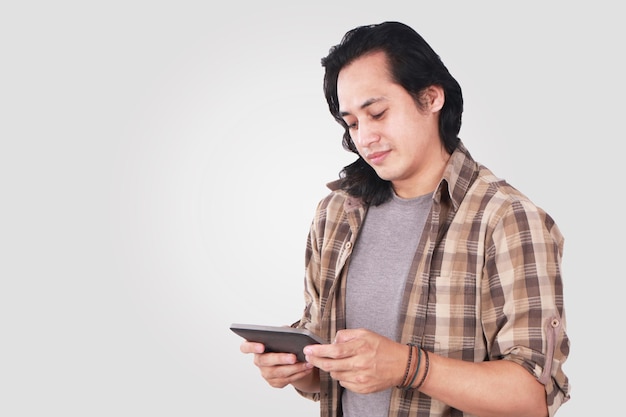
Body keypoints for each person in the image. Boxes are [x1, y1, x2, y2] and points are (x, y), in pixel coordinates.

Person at [239, 21, 571, 417]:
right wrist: (298, 368)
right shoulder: (336, 213)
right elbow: (330, 380)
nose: (364, 138)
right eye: (353, 123)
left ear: (431, 98)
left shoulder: (506, 219)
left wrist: (407, 366)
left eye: (377, 113)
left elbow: (531, 398)